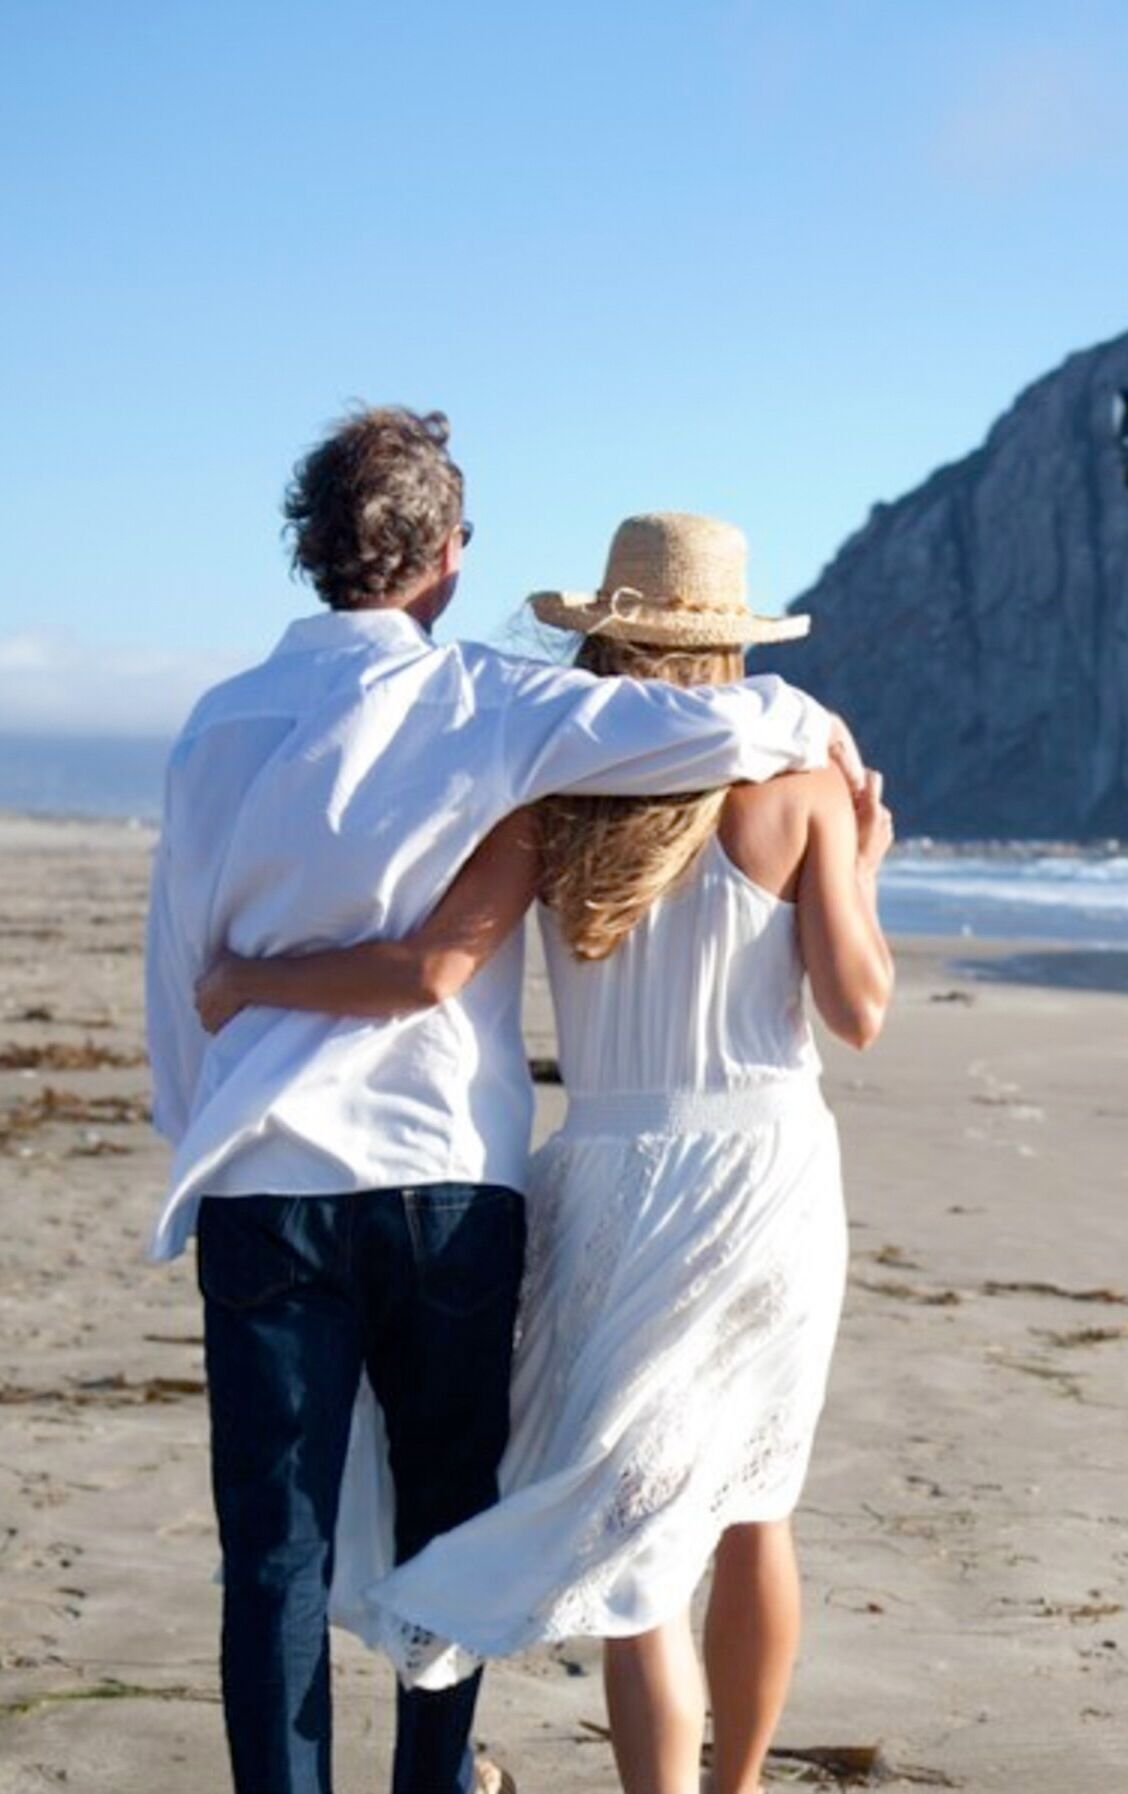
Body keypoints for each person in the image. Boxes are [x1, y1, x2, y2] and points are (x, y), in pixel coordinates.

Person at [144, 413, 860, 1794]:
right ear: (448, 558)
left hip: (262, 1176)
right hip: (445, 1181)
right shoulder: (490, 701)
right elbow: (715, 721)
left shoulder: (214, 725)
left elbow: (178, 970)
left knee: (274, 1550)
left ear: (310, 548)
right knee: (443, 1517)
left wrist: (202, 1134)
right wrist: (820, 733)